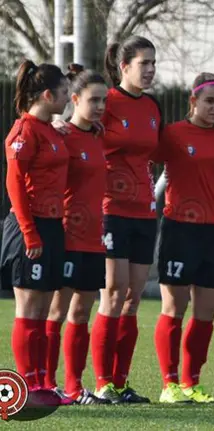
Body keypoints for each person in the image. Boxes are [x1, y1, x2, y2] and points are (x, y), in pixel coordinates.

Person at [153, 73, 214, 404]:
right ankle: (169, 384)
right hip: (178, 229)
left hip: (213, 231)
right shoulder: (172, 134)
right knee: (174, 306)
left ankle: (191, 382)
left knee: (206, 312)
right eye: (210, 101)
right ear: (193, 101)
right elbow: (138, 155)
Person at [91, 35, 160, 403]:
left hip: (144, 211)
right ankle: (102, 383)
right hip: (110, 208)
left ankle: (120, 382)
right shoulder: (107, 102)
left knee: (133, 297)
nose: (150, 70)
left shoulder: (152, 106)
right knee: (113, 292)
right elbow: (80, 132)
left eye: (153, 63)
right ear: (124, 67)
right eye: (143, 63)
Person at [1, 60, 69, 404]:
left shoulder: (50, 130)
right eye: (64, 94)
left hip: (53, 225)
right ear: (47, 94)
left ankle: (42, 382)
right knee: (28, 310)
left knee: (43, 311)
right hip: (30, 227)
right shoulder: (23, 131)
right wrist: (30, 234)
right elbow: (14, 185)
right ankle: (26, 387)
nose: (69, 99)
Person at [41, 64, 110, 405]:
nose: (99, 107)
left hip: (94, 237)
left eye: (103, 101)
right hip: (67, 234)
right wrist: (54, 125)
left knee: (81, 313)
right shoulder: (61, 135)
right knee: (57, 311)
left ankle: (74, 387)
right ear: (75, 99)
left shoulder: (99, 135)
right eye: (93, 100)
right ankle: (47, 384)